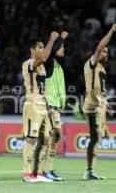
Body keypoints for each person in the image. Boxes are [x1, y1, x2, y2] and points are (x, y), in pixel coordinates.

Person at [21, 31, 60, 183]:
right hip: (32, 104)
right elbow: (44, 57)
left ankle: (36, 173)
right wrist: (52, 39)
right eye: (40, 47)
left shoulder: (42, 68)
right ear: (32, 49)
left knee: (46, 138)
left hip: (43, 104)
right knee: (31, 138)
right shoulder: (28, 63)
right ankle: (26, 173)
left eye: (43, 47)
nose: (42, 50)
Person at [83, 23, 116, 180]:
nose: (106, 54)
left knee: (97, 137)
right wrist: (111, 31)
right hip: (91, 106)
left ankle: (91, 170)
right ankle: (88, 170)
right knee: (95, 136)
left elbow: (99, 89)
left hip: (99, 106)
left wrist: (105, 103)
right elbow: (99, 47)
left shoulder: (102, 69)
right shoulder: (92, 63)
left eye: (107, 52)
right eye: (104, 51)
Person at [42, 31, 69, 181]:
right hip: (47, 105)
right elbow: (51, 51)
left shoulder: (59, 65)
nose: (63, 49)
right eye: (61, 47)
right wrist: (58, 39)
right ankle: (41, 170)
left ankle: (49, 169)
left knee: (56, 135)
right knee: (46, 138)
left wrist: (62, 40)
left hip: (55, 106)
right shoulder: (49, 63)